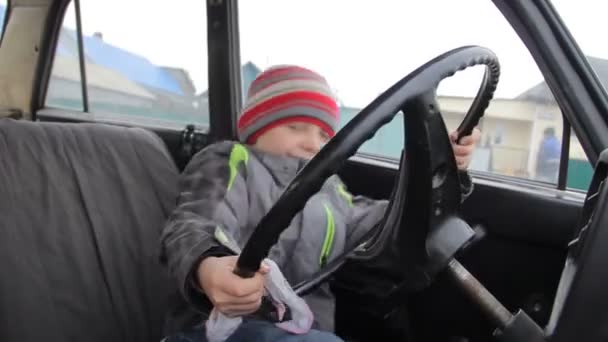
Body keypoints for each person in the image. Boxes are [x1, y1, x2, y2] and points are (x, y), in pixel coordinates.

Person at [160, 65, 481, 342]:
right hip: (219, 330)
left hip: (303, 330)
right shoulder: (232, 162)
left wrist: (439, 173)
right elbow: (193, 224)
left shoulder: (330, 189)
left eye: (324, 135)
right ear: (256, 127)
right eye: (295, 127)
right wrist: (208, 267)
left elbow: (388, 222)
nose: (312, 144)